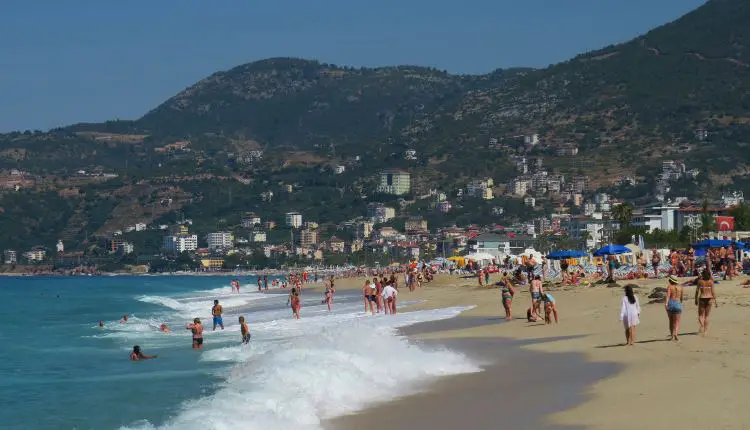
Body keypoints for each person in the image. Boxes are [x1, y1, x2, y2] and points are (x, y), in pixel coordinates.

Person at [695, 269, 718, 336]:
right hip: (709, 298)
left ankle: (702, 325)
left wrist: (695, 299)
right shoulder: (711, 282)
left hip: (702, 298)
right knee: (706, 316)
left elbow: (697, 291)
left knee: (700, 315)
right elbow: (713, 292)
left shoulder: (700, 281)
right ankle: (705, 331)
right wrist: (715, 301)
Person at [664, 275, 683, 341]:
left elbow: (668, 296)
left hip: (671, 303)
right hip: (678, 303)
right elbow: (681, 298)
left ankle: (672, 335)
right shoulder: (680, 287)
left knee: (671, 321)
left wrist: (666, 304)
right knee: (677, 322)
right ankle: (676, 334)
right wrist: (680, 304)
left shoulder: (669, 287)